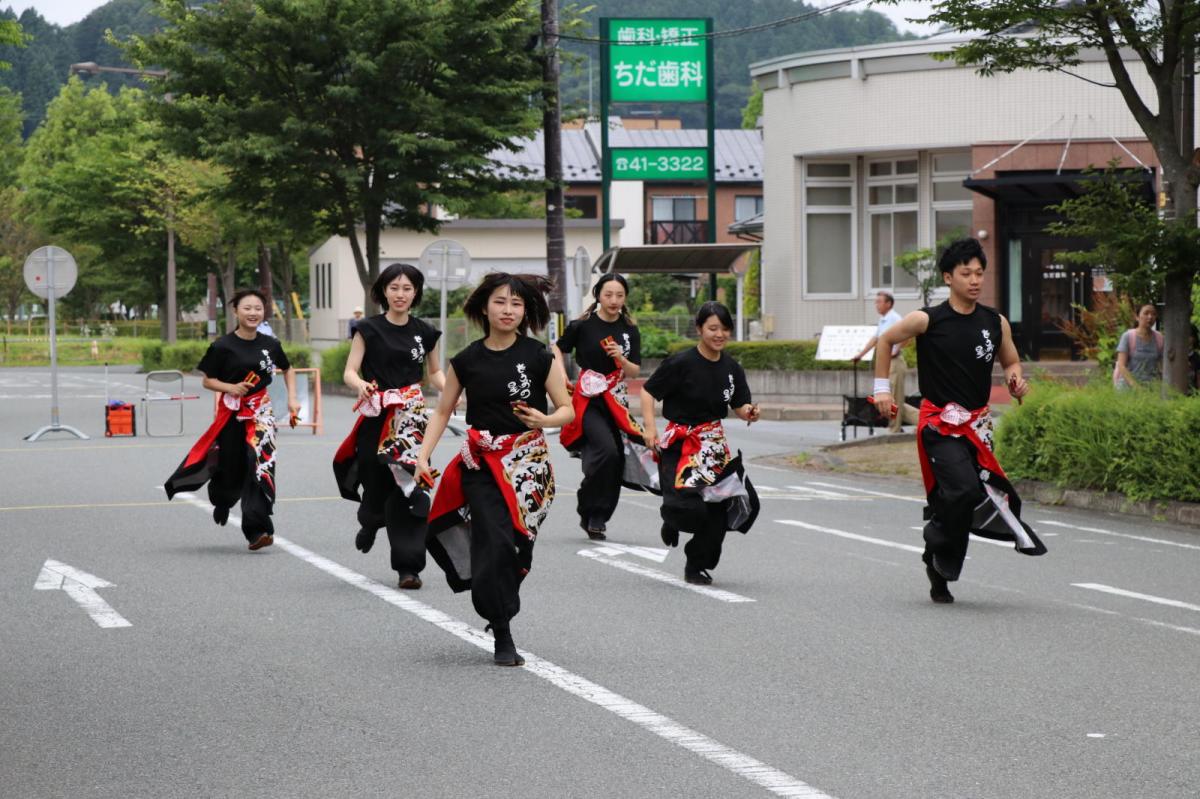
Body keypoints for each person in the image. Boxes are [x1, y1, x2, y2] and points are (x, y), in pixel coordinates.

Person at [873, 238, 1046, 604]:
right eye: (966, 273)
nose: (974, 280)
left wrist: (1016, 379)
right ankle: (936, 544)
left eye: (979, 273)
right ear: (948, 277)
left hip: (978, 427)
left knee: (967, 497)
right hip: (938, 424)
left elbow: (1011, 360)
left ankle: (938, 566)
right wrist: (882, 390)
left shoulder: (994, 322)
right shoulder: (927, 319)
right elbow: (885, 340)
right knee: (964, 490)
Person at [418, 273, 574, 667]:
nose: (508, 310)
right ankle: (502, 630)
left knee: (517, 547)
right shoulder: (467, 359)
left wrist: (545, 419)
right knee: (494, 541)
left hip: (528, 467)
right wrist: (423, 455)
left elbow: (567, 409)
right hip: (482, 465)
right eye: (501, 302)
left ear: (526, 311)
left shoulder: (540, 356)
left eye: (517, 304)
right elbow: (442, 410)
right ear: (484, 307)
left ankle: (498, 603)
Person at [333, 263, 446, 590]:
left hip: (411, 421)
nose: (400, 294)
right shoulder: (368, 329)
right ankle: (370, 521)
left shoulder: (425, 331)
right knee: (376, 482)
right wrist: (360, 385)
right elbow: (350, 371)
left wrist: (455, 390)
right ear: (384, 291)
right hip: (377, 416)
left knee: (409, 487)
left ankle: (409, 567)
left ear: (416, 293)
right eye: (394, 288)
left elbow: (436, 373)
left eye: (407, 288)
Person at [165, 288, 300, 551]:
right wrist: (229, 387)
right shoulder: (222, 346)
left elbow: (288, 369)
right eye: (247, 308)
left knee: (259, 464)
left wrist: (293, 400)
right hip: (232, 414)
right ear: (236, 311)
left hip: (261, 413)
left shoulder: (270, 345)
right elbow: (207, 380)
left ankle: (257, 529)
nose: (253, 313)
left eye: (258, 308)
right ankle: (223, 501)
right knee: (231, 467)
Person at [639, 302, 761, 586]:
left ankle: (697, 564)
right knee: (687, 508)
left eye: (725, 329)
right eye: (713, 328)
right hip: (681, 445)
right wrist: (649, 427)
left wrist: (749, 412)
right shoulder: (681, 363)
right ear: (699, 329)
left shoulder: (732, 368)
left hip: (713, 446)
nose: (719, 334)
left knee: (728, 508)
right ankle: (671, 519)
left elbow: (739, 403)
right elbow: (647, 392)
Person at [554, 273, 657, 540]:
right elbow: (557, 348)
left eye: (619, 295)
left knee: (615, 460)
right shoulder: (583, 325)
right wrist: (560, 375)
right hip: (587, 399)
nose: (614, 300)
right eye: (608, 295)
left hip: (616, 400)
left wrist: (621, 358)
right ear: (598, 295)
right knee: (608, 451)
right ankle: (588, 503)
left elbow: (635, 371)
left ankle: (597, 517)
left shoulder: (629, 329)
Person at [852, 290, 917, 432]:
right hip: (887, 363)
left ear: (888, 304)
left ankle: (894, 428)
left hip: (895, 362)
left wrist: (895, 350)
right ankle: (920, 420)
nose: (876, 305)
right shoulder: (883, 320)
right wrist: (861, 355)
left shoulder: (895, 318)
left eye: (879, 302)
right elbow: (875, 339)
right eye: (876, 302)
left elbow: (908, 335)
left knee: (894, 398)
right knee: (888, 399)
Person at [1113, 304, 1163, 390]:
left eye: (1153, 314)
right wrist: (1135, 386)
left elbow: (1161, 365)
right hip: (1127, 388)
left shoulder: (1159, 338)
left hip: (1151, 388)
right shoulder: (1128, 336)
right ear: (1137, 317)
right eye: (1146, 313)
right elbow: (1121, 365)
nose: (1150, 317)